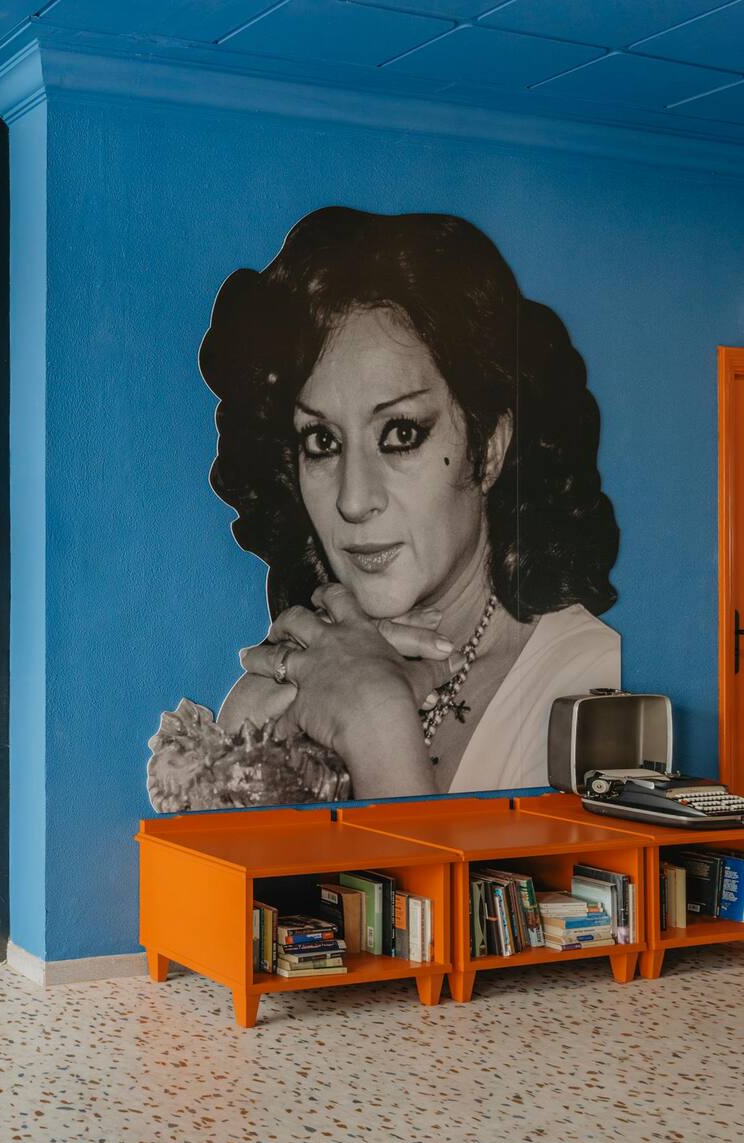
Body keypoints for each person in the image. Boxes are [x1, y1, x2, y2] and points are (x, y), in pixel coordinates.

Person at [147, 207, 620, 812]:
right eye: (322, 441)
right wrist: (247, 742)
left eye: (400, 434)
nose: (353, 499)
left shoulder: (591, 683)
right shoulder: (313, 673)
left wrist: (375, 724)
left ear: (489, 448)